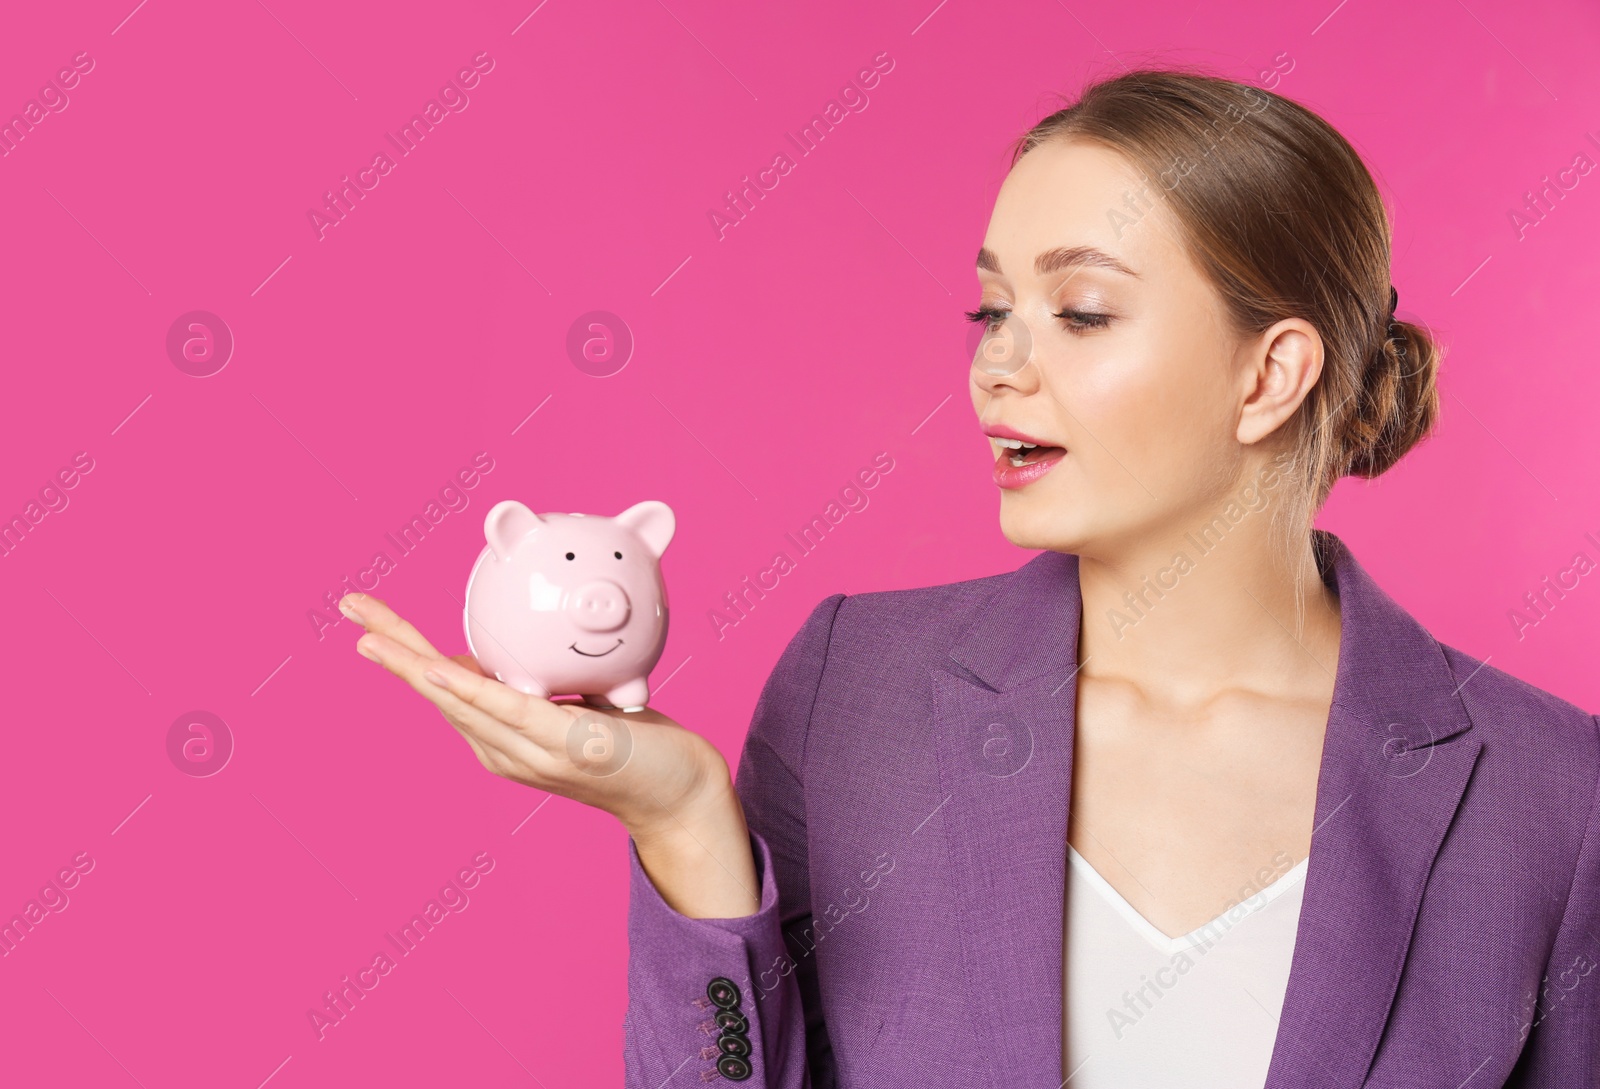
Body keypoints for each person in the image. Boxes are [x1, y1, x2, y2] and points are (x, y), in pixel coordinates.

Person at [340, 67, 1600, 1088]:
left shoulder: (1554, 798)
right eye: (989, 311)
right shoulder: (856, 696)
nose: (998, 367)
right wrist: (679, 820)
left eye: (1083, 312)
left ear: (1267, 375)